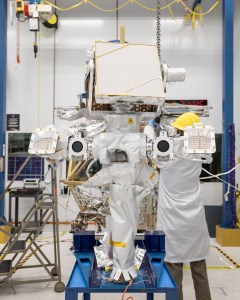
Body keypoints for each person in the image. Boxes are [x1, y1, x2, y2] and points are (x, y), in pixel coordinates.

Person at [144, 112, 212, 300]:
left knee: (174, 272)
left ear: (180, 130)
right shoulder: (200, 153)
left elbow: (149, 143)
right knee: (200, 270)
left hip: (173, 221)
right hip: (194, 221)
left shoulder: (167, 153)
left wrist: (151, 126)